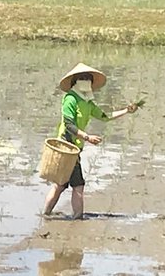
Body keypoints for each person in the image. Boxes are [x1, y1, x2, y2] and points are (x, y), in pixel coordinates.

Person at [42, 63, 138, 219]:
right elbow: (69, 125)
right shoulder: (71, 99)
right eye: (82, 78)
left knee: (60, 185)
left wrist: (127, 110)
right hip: (67, 146)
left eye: (88, 78)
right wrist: (87, 137)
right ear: (75, 81)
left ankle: (46, 215)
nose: (86, 81)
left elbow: (104, 116)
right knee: (78, 185)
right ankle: (77, 218)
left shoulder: (87, 102)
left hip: (74, 147)